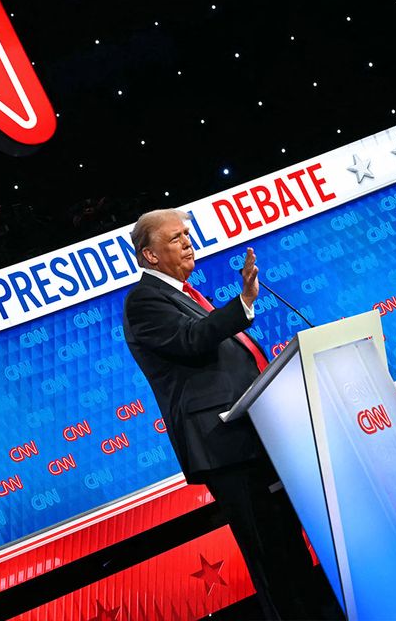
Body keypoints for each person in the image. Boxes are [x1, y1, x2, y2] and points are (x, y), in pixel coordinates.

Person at [122, 209, 335, 620]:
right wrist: (243, 303)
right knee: (269, 554)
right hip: (224, 446)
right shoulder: (144, 300)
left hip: (253, 435)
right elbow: (191, 340)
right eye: (175, 238)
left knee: (287, 545)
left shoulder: (182, 293)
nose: (187, 241)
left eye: (187, 233)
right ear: (150, 256)